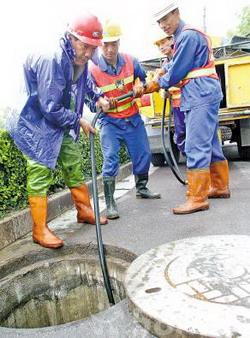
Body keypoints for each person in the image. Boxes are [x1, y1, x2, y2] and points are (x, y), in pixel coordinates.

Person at [10, 13, 111, 249]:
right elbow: (49, 107)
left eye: (92, 48)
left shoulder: (79, 58)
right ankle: (39, 229)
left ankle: (84, 210)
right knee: (40, 170)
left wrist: (98, 99)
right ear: (71, 38)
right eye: (84, 46)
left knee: (72, 162)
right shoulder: (51, 59)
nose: (88, 53)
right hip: (34, 119)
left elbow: (83, 83)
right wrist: (79, 121)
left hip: (58, 117)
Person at [134, 0, 230, 215]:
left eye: (166, 19)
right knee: (210, 142)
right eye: (159, 22)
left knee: (196, 144)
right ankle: (220, 185)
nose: (163, 25)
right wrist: (157, 79)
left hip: (199, 93)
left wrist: (154, 84)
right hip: (202, 92)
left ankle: (197, 198)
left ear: (176, 13)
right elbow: (171, 66)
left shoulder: (187, 36)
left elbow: (176, 71)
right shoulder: (183, 36)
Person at [89, 19, 161, 220]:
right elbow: (88, 100)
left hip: (132, 118)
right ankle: (110, 202)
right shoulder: (93, 70)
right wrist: (100, 102)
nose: (109, 49)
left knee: (143, 154)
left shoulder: (131, 61)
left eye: (113, 44)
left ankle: (142, 187)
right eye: (105, 45)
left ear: (119, 43)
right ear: (100, 45)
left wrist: (141, 85)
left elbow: (144, 79)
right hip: (110, 122)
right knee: (111, 158)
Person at [153, 31, 185, 154]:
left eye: (163, 42)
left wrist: (161, 81)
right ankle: (194, 166)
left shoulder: (181, 55)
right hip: (177, 106)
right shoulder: (165, 63)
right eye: (158, 45)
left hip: (191, 102)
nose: (161, 47)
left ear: (171, 40)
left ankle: (200, 166)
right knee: (180, 137)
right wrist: (164, 91)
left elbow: (181, 80)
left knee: (195, 138)